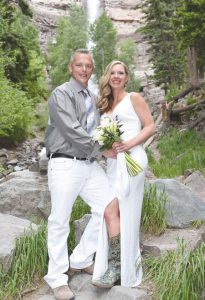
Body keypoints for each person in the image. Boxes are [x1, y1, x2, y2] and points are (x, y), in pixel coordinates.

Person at [44, 49, 116, 300]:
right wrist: (103, 150)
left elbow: (99, 128)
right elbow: (72, 130)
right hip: (65, 164)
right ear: (70, 67)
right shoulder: (61, 94)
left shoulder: (92, 97)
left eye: (88, 66)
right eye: (79, 65)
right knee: (59, 220)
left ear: (92, 69)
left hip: (88, 164)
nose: (84, 69)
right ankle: (56, 279)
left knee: (109, 206)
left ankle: (81, 257)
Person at [92, 60, 155, 288]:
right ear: (108, 76)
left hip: (133, 161)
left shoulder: (134, 98)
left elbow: (150, 126)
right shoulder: (105, 105)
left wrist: (128, 144)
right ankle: (120, 263)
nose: (117, 76)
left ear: (127, 77)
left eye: (121, 73)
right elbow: (103, 143)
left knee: (114, 209)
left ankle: (117, 267)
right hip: (114, 164)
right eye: (113, 72)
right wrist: (108, 150)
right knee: (111, 213)